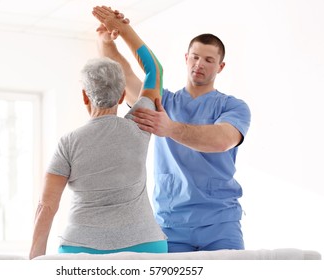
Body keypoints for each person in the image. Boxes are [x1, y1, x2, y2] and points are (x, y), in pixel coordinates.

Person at [97, 7, 251, 252]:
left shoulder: (233, 107)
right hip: (171, 225)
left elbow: (222, 140)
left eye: (209, 60)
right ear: (186, 58)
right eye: (195, 56)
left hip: (221, 225)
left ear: (220, 67)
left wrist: (170, 128)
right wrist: (107, 41)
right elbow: (124, 76)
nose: (200, 64)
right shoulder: (162, 102)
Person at [29, 7, 166, 259]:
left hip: (81, 246)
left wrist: (34, 263)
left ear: (84, 96)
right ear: (124, 95)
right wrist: (123, 30)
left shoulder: (67, 143)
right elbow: (154, 70)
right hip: (145, 245)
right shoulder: (140, 124)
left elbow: (46, 206)